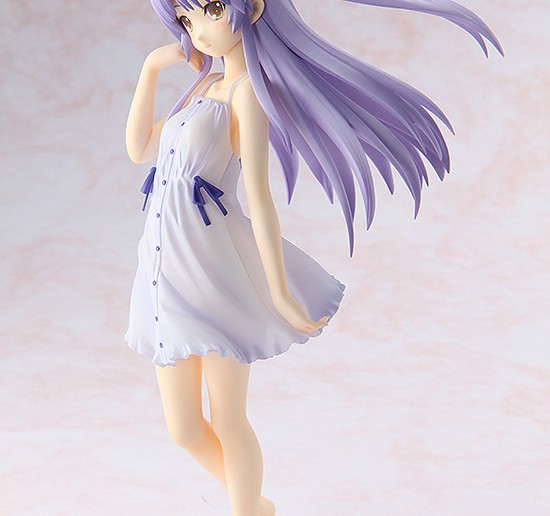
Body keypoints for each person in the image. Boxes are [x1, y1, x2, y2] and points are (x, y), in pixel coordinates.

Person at [124, 1, 503, 514]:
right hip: (164, 270)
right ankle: (256, 505)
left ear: (251, 8)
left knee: (228, 418)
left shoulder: (246, 93)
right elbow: (140, 149)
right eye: (187, 20)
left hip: (213, 271)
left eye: (210, 8)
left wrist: (279, 292)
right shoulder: (200, 87)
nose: (199, 31)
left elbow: (259, 197)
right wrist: (151, 68)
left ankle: (246, 511)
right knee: (184, 429)